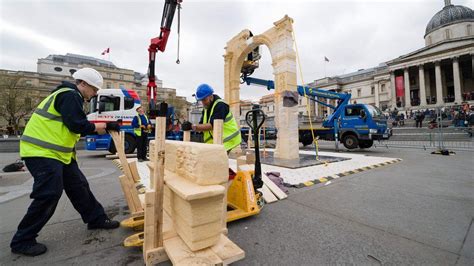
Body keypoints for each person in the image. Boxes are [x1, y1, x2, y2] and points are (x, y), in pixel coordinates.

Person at [11, 68, 121, 256]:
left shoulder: (68, 96)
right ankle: (23, 240)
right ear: (83, 84)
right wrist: (104, 126)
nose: (94, 94)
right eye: (94, 89)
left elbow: (74, 123)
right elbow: (77, 124)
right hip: (42, 152)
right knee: (49, 193)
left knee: (79, 186)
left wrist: (100, 125)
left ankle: (96, 219)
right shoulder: (70, 95)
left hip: (58, 154)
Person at [182, 84, 241, 153]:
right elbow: (201, 125)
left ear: (210, 96)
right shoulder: (206, 109)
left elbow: (212, 126)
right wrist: (191, 126)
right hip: (216, 142)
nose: (203, 102)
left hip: (228, 140)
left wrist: (192, 126)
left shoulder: (220, 105)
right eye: (201, 100)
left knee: (218, 161)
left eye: (204, 99)